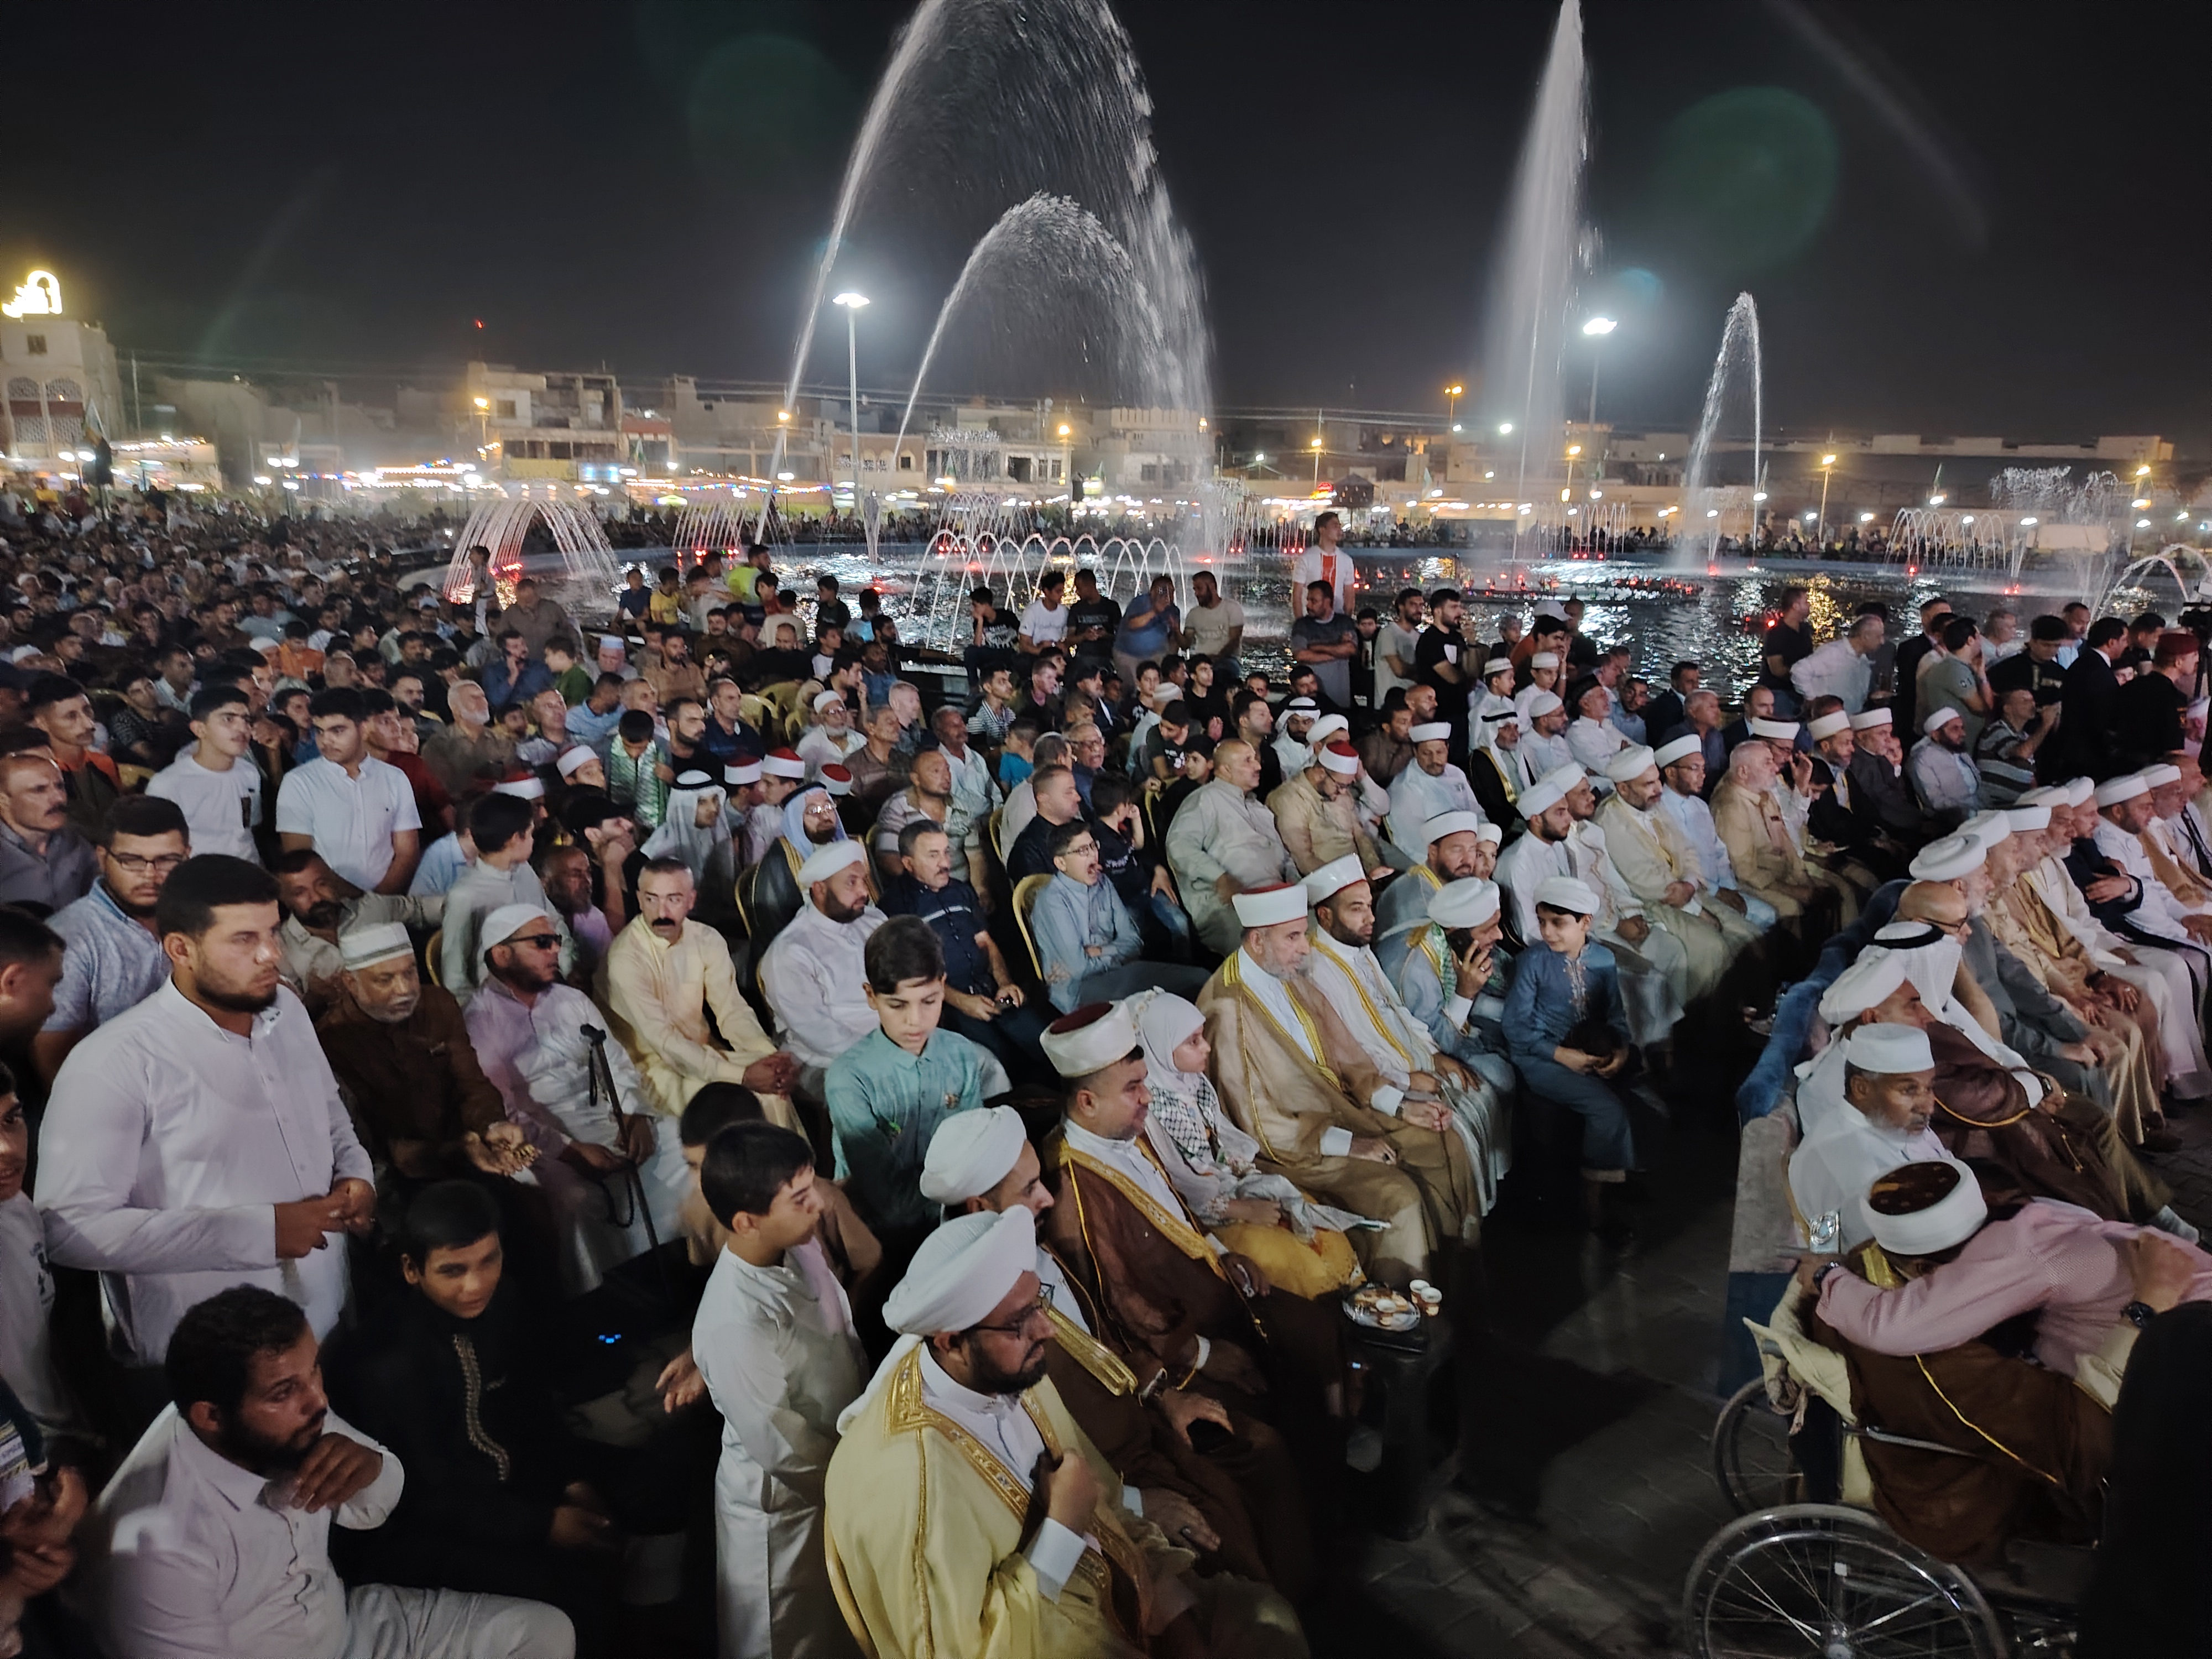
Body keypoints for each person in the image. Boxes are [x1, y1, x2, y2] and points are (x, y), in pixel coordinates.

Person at [823, 1207, 1306, 1659]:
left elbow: (1108, 1508)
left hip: (1117, 1597)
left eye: (1040, 1307)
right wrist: (1059, 1529)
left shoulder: (1007, 1372)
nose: (1047, 1332)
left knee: (1267, 1621)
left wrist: (1164, 1596)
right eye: (1020, 1322)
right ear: (952, 1344)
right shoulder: (907, 1478)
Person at [919, 1105, 1306, 1593]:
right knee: (1223, 1536)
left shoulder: (1037, 1253)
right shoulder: (980, 1321)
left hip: (1138, 1425)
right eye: (1028, 1190)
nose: (1047, 1198)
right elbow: (1025, 1460)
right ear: (978, 1208)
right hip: (1107, 1478)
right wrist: (1136, 1504)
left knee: (1262, 1452)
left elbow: (1104, 1343)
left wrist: (1166, 1398)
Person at [36, 857, 374, 1407]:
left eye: (271, 932)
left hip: (323, 1313)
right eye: (243, 939)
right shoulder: (113, 1063)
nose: (271, 954)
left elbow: (329, 1109)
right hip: (207, 1369)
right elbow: (68, 1229)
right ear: (181, 949)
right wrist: (257, 1233)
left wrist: (354, 1173)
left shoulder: (285, 1010)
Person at [80, 1286, 574, 1659]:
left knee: (546, 1634)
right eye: (284, 1391)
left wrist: (373, 1467)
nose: (319, 1400)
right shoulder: (156, 1549)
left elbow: (378, 1504)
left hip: (352, 1628)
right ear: (210, 1416)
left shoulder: (294, 1417)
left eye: (314, 1370)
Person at [324, 1182, 680, 1631]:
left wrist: (570, 1479)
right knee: (563, 1592)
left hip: (518, 1480)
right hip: (433, 1525)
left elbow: (531, 1405)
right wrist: (541, 1524)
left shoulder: (505, 1301)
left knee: (657, 1486)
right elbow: (421, 1492)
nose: (476, 1285)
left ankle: (653, 1627)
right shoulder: (384, 1362)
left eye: (488, 1260)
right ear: (412, 1270)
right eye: (453, 1270)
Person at [1197, 884, 1478, 1285]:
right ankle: (1396, 1314)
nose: (1306, 947)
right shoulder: (1227, 1010)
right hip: (1295, 1148)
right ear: (1258, 941)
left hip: (1343, 1110)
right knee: (1398, 1196)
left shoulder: (1288, 971)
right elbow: (1262, 1126)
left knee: (1443, 1141)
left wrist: (1399, 1105)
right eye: (1294, 936)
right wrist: (1354, 1145)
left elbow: (1349, 1060)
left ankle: (1453, 1281)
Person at [690, 1121, 868, 1659]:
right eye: (799, 1196)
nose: (818, 1202)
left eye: (811, 1185)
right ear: (747, 1222)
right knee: (784, 1636)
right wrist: (863, 1487)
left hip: (842, 1470)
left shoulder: (798, 1245)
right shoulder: (733, 1323)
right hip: (787, 1506)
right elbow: (782, 1447)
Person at [1306, 857, 1511, 1213]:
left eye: (1369, 906)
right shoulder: (1315, 971)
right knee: (1457, 1122)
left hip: (1412, 1058)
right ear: (1324, 916)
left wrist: (1433, 1055)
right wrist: (1406, 1076)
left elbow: (1397, 1012)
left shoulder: (1359, 952)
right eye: (1357, 910)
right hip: (1380, 1081)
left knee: (1479, 1095)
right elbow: (1350, 1050)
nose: (1371, 918)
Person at [823, 916, 1008, 1246]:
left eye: (929, 1001)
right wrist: (965, 1187)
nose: (915, 1021)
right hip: (880, 1237)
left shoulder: (961, 1055)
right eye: (897, 1005)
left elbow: (971, 1153)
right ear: (871, 996)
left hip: (954, 1218)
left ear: (943, 985)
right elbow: (889, 1203)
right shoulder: (849, 1080)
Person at [316, 921, 530, 1188]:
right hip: (400, 1176)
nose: (405, 989)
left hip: (467, 1148)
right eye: (386, 980)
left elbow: (472, 1083)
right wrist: (462, 1150)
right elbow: (378, 1140)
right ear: (351, 982)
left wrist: (492, 1125)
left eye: (409, 973)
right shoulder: (334, 1039)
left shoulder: (438, 1004)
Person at [1500, 876, 1648, 1246]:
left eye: (1559, 923)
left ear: (1585, 922)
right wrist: (1561, 1055)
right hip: (1540, 1057)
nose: (1548, 932)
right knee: (1607, 1111)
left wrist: (1622, 1051)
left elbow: (1614, 1016)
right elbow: (1515, 1027)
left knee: (1636, 1089)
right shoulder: (1533, 962)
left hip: (1583, 1049)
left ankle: (1617, 1181)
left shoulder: (1602, 959)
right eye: (1543, 922)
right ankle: (1594, 1207)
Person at [602, 857, 798, 1123]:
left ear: (691, 900)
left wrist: (768, 1059)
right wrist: (742, 1076)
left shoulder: (706, 939)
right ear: (639, 900)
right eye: (652, 899)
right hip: (652, 1069)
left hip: (702, 1054)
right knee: (743, 1103)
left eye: (673, 899)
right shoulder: (625, 958)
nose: (662, 911)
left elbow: (732, 1010)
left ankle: (794, 1165)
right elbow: (664, 1042)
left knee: (774, 1088)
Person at [31, 794, 188, 1082]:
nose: (150, 875)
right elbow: (56, 1066)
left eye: (167, 860)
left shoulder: (200, 917)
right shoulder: (68, 940)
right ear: (102, 858)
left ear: (187, 856)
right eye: (131, 861)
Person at [1787, 1024, 1959, 1249]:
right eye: (1909, 1090)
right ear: (1862, 1089)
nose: (1929, 1107)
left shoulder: (1895, 1123)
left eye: (1929, 1088)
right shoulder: (1831, 1158)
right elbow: (1825, 1247)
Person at [1030, 818, 1207, 1013]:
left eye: (1093, 846)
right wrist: (1117, 953)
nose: (1093, 856)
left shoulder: (1103, 883)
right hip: (1080, 991)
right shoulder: (1053, 901)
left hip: (1120, 973)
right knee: (1179, 994)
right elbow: (1079, 968)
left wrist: (1101, 951)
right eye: (1082, 851)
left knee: (1200, 979)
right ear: (1061, 863)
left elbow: (1134, 942)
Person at [758, 840, 888, 1098]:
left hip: (898, 1037)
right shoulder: (791, 952)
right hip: (828, 1061)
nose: (864, 891)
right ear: (819, 889)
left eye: (864, 880)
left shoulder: (874, 921)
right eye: (851, 882)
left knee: (982, 1066)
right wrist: (887, 1053)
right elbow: (819, 1032)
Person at [277, 687, 424, 896]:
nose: (326, 741)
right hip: (328, 903)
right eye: (319, 731)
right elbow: (300, 860)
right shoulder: (299, 783)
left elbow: (407, 853)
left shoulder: (395, 778)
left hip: (388, 901)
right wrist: (357, 901)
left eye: (337, 731)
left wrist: (380, 901)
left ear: (363, 730)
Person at [1164, 739, 1300, 955]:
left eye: (1255, 759)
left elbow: (1284, 856)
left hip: (1277, 898)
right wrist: (1221, 877)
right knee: (1277, 951)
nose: (1258, 766)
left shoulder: (1259, 808)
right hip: (1231, 906)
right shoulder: (1205, 800)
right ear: (1225, 769)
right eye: (1248, 761)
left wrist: (1297, 884)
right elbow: (1179, 847)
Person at [440, 791, 565, 1008]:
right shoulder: (465, 895)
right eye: (531, 834)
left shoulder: (525, 872)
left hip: (547, 986)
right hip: (497, 1004)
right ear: (516, 838)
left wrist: (567, 967)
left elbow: (553, 920)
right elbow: (455, 974)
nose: (534, 840)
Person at [148, 682, 264, 863]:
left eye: (246, 720)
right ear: (200, 729)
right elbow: (157, 847)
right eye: (228, 719)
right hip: (200, 879)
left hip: (249, 870)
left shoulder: (249, 773)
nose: (243, 729)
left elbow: (248, 828)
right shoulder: (168, 784)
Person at [1267, 739, 1387, 877]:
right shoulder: (1289, 799)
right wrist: (1351, 882)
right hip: (1329, 884)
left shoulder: (1338, 790)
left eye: (1347, 786)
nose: (1343, 792)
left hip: (1361, 877)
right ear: (1320, 774)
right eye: (1340, 786)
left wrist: (1374, 870)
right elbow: (1304, 860)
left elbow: (1360, 836)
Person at [0, 749, 96, 912]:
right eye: (39, 790)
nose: (58, 798)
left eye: (60, 786)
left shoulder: (76, 842)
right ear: (4, 801)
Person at [1789, 611, 1882, 714]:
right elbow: (1799, 671)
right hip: (1828, 721)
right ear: (1865, 636)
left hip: (1850, 719)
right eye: (1879, 636)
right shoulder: (1833, 653)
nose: (1882, 641)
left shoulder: (1863, 661)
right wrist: (1812, 699)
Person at [1288, 580, 1357, 711]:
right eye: (1308, 600)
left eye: (1314, 601)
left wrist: (1315, 647)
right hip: (1310, 702)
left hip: (1340, 699)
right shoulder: (1302, 625)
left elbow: (1350, 650)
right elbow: (1301, 655)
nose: (1308, 605)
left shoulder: (1344, 623)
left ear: (1327, 602)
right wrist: (1338, 652)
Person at [1182, 568, 1246, 685]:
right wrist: (1175, 629)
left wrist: (1217, 658)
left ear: (1212, 587)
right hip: (1200, 660)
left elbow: (1234, 641)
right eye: (1195, 590)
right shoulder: (1193, 614)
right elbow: (1186, 644)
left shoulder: (1232, 608)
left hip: (1228, 660)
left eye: (1200, 589)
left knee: (1219, 676)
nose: (1196, 594)